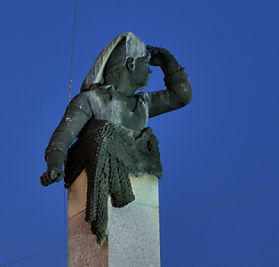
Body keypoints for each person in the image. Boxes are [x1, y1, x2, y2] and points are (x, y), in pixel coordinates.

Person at [40, 33, 191, 243]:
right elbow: (62, 136)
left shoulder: (143, 104)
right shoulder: (91, 100)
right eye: (145, 64)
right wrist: (55, 164)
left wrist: (168, 62)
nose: (150, 70)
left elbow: (181, 96)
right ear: (131, 64)